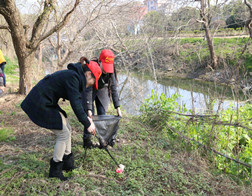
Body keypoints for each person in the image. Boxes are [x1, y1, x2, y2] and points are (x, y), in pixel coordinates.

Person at [21, 59, 102, 181]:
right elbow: (75, 104)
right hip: (39, 103)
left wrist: (88, 119)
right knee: (63, 133)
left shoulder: (75, 76)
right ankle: (55, 170)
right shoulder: (73, 78)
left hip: (47, 101)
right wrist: (87, 124)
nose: (91, 85)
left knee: (67, 128)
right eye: (93, 82)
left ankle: (68, 164)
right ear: (88, 74)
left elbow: (78, 101)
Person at [81, 49, 121, 148]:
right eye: (105, 66)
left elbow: (114, 89)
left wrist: (118, 107)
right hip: (90, 88)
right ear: (100, 61)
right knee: (90, 116)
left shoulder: (111, 71)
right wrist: (89, 109)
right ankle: (87, 141)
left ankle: (103, 140)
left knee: (102, 114)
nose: (106, 70)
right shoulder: (92, 67)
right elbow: (88, 90)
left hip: (102, 90)